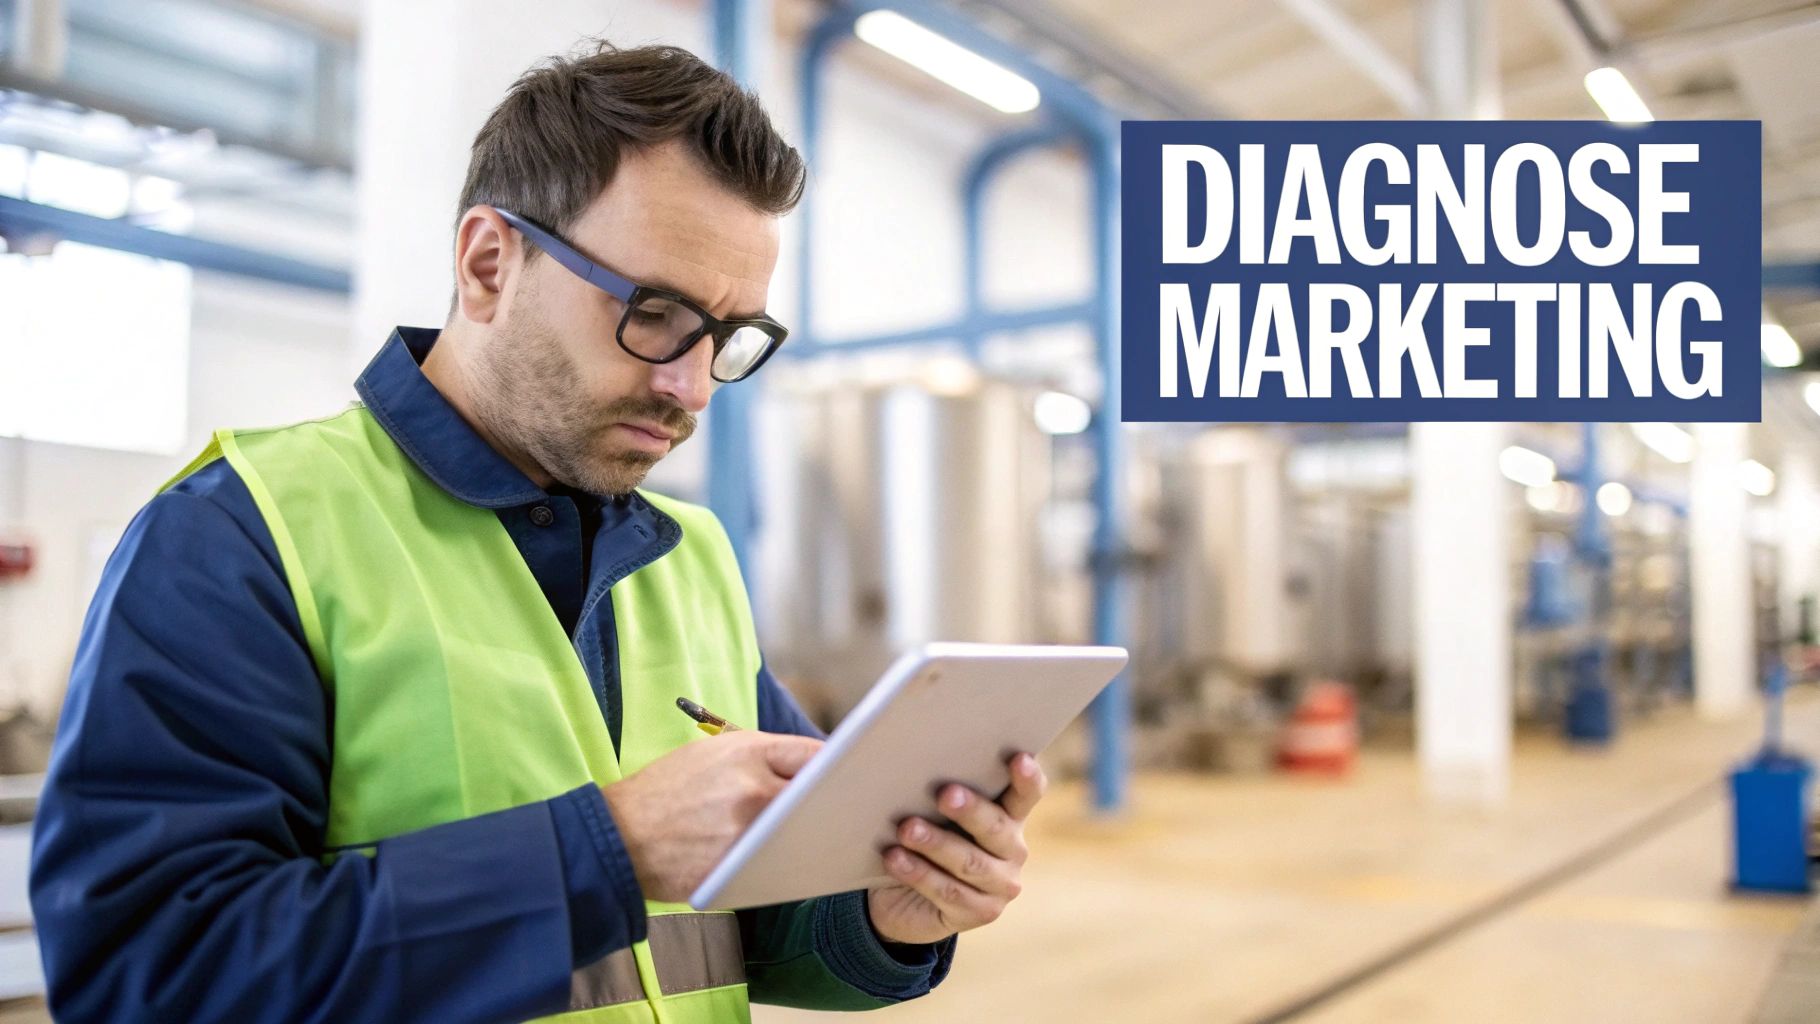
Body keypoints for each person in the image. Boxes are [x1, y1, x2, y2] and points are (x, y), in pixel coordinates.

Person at [28, 42, 1047, 1023]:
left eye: (729, 337)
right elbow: (147, 973)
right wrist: (603, 850)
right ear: (485, 263)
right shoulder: (243, 537)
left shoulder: (691, 560)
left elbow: (735, 921)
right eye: (653, 312)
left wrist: (882, 912)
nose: (689, 384)